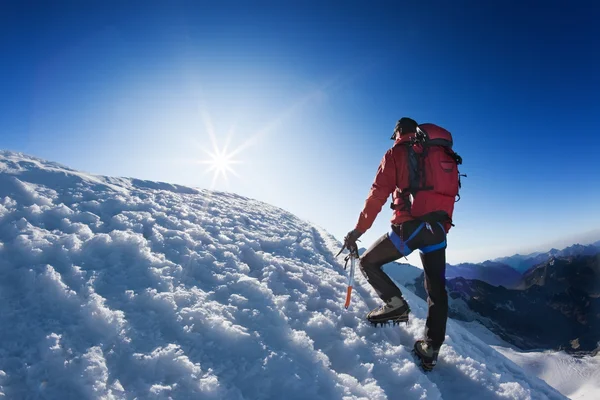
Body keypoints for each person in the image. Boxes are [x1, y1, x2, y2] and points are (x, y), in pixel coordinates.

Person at [343, 117, 462, 371]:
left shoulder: (396, 153)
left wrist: (358, 231)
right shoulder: (439, 152)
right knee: (436, 290)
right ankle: (430, 349)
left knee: (368, 261)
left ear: (398, 132)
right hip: (438, 231)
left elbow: (377, 195)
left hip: (409, 228)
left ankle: (395, 305)